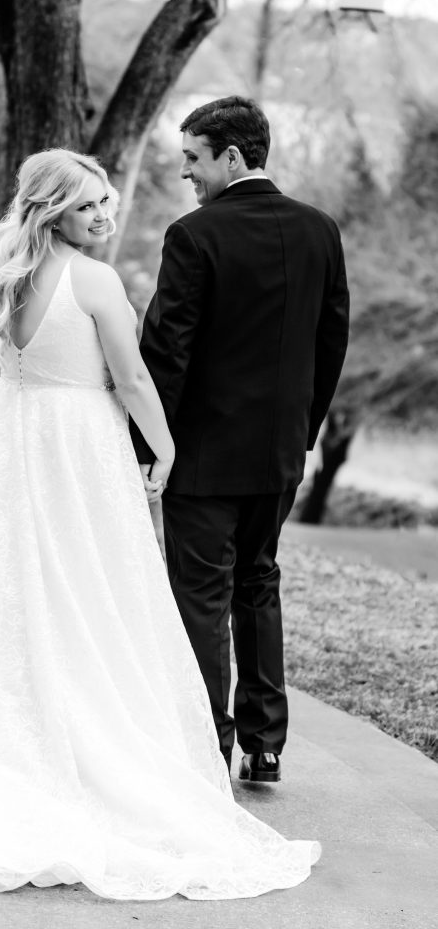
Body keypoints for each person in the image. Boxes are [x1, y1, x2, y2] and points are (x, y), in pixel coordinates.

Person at [0, 148, 320, 901]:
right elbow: (133, 375)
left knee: (3, 577)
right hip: (77, 440)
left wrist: (24, 403)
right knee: (84, 583)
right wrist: (166, 447)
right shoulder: (95, 280)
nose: (104, 216)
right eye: (88, 206)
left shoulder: (4, 268)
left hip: (10, 430)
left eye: (105, 201)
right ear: (53, 210)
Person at [130, 96, 350, 782]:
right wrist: (302, 435)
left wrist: (147, 449)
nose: (186, 174)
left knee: (200, 596)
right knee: (258, 582)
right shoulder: (320, 231)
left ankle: (205, 746)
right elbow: (331, 342)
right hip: (280, 453)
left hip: (202, 455)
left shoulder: (194, 236)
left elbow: (167, 351)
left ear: (231, 155)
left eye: (194, 158)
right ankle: (265, 743)